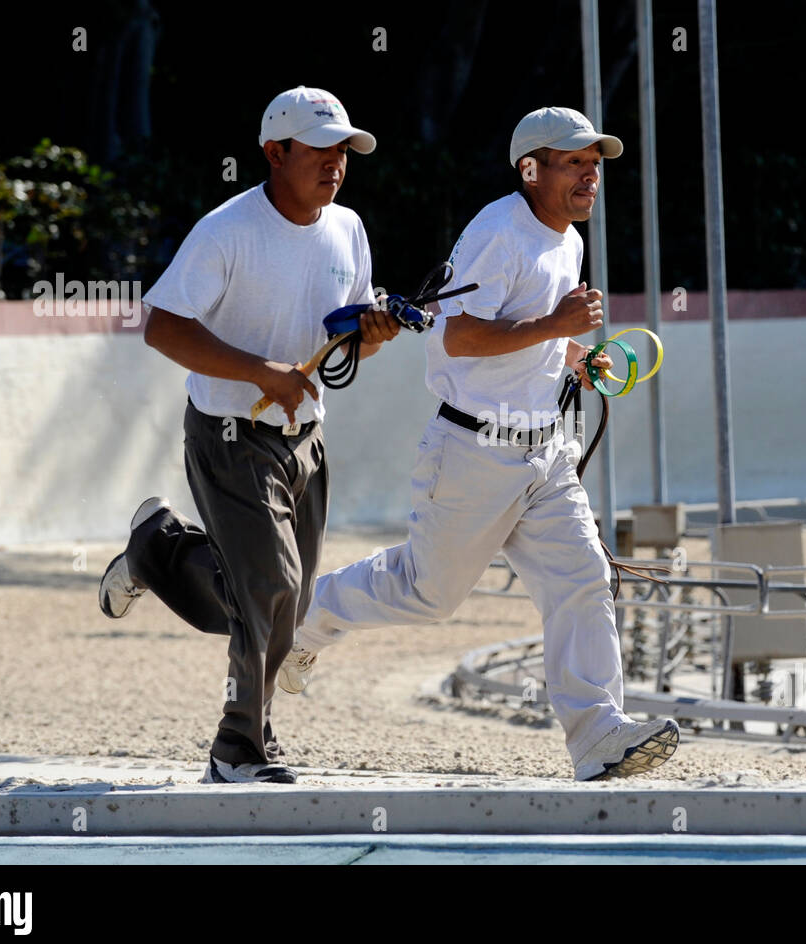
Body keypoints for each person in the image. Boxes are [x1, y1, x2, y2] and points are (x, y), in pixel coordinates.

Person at [281, 106, 679, 781]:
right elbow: (458, 336)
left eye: (595, 162)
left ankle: (598, 736)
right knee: (425, 591)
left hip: (545, 452)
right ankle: (300, 625)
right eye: (574, 160)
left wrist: (573, 352)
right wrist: (555, 322)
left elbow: (525, 333)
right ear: (532, 169)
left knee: (582, 576)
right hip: (474, 453)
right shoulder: (499, 231)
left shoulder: (566, 240)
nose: (591, 174)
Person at [96, 87, 399, 784]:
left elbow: (345, 342)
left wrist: (371, 332)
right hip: (230, 435)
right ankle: (239, 746)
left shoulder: (348, 229)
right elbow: (164, 326)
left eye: (343, 149)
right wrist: (265, 372)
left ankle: (156, 550)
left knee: (281, 599)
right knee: (272, 584)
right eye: (319, 148)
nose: (335, 162)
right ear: (274, 152)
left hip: (307, 441)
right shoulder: (226, 230)